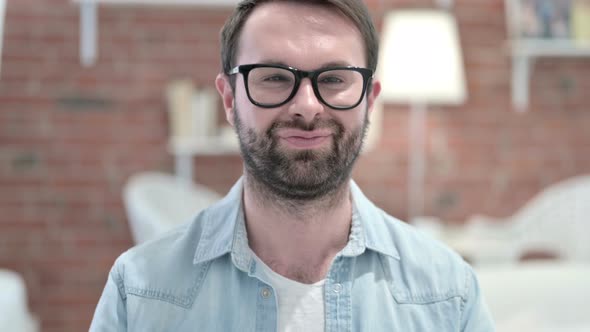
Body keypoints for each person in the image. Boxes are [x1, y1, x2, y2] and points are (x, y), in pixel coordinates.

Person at [90, 0, 494, 331]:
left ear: (370, 100)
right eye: (274, 78)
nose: (306, 106)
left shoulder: (447, 294)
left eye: (335, 79)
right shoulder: (140, 291)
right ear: (230, 99)